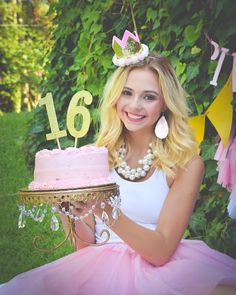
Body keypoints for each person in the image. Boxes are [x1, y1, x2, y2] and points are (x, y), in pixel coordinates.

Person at [0, 30, 236, 295]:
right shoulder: (94, 158)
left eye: (149, 96)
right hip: (98, 267)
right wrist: (67, 209)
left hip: (165, 271)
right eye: (127, 93)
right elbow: (85, 247)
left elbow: (161, 252)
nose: (135, 106)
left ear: (165, 105)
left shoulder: (185, 164)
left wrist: (105, 210)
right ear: (115, 98)